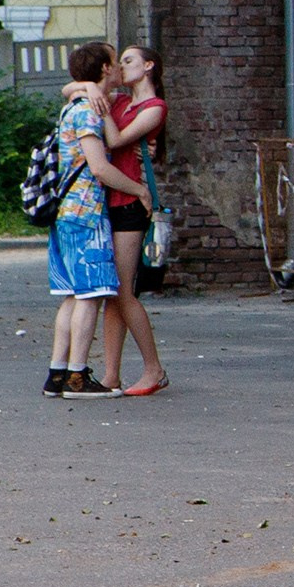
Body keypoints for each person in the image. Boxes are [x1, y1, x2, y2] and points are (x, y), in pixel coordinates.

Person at [43, 42, 148, 399]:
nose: (119, 67)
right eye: (115, 61)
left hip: (65, 215)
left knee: (72, 296)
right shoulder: (87, 110)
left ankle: (57, 374)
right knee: (90, 296)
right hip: (85, 215)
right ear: (104, 69)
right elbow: (100, 168)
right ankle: (77, 377)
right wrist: (140, 190)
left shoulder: (73, 105)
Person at [83, 45, 169, 396]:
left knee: (122, 289)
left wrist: (100, 103)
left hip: (132, 202)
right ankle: (111, 375)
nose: (121, 66)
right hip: (109, 202)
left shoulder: (154, 108)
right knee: (111, 294)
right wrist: (90, 88)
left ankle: (154, 369)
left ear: (149, 66)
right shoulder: (117, 101)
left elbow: (116, 139)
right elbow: (68, 88)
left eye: (129, 60)